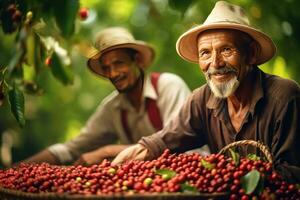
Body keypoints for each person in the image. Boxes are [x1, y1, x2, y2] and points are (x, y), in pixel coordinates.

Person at [112, 1, 300, 183]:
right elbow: (164, 141)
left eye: (226, 50)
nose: (215, 64)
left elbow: (290, 174)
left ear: (250, 54)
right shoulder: (201, 99)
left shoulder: (284, 96)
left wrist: (218, 177)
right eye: (205, 53)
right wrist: (117, 166)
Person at [23, 27, 191, 166]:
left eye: (119, 63)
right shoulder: (113, 108)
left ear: (137, 60)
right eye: (106, 68)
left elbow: (177, 144)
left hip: (191, 174)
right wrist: (17, 170)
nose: (113, 73)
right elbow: (72, 148)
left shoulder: (168, 87)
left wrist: (107, 151)